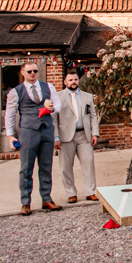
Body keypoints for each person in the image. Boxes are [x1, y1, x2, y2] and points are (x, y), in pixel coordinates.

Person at [5, 63, 62, 215]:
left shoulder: (48, 86)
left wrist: (53, 108)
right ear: (23, 72)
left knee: (46, 166)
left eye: (35, 71)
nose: (32, 73)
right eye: (29, 71)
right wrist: (10, 135)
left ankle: (46, 199)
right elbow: (10, 114)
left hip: (46, 129)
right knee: (26, 168)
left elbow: (58, 104)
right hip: (28, 131)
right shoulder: (16, 91)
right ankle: (25, 202)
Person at [53, 70, 100, 203]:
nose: (73, 82)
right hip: (65, 136)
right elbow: (54, 119)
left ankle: (90, 191)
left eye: (75, 79)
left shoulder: (87, 96)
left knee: (88, 163)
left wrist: (94, 133)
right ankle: (70, 193)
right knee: (66, 166)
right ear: (65, 82)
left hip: (84, 135)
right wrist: (56, 137)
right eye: (71, 80)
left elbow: (92, 116)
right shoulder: (58, 97)